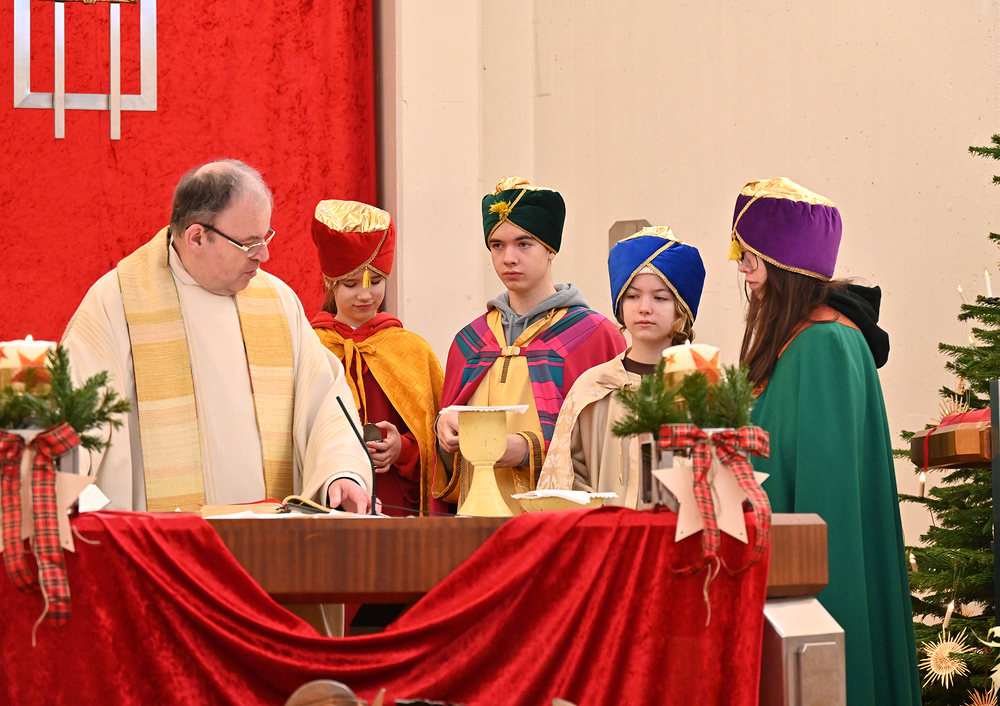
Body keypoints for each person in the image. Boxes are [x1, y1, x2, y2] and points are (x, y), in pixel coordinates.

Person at [61, 160, 373, 514]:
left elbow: (325, 404)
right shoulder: (117, 303)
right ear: (196, 237)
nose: (264, 254)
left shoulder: (278, 301)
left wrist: (341, 473)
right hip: (161, 542)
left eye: (266, 237)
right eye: (249, 243)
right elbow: (73, 424)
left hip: (270, 541)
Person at [730, 177, 919, 706]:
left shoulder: (826, 342)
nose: (742, 267)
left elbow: (828, 492)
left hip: (812, 569)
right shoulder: (802, 337)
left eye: (749, 254)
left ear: (782, 261)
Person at [434, 177, 626, 513]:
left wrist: (528, 450)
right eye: (497, 245)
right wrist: (444, 435)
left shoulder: (594, 336)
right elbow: (445, 466)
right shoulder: (469, 342)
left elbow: (611, 451)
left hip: (557, 526)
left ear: (551, 249)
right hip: (476, 524)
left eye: (524, 244)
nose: (508, 257)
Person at [537, 227, 705, 506]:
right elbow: (565, 479)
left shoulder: (703, 388)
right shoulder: (591, 389)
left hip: (678, 531)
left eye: (660, 298)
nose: (644, 308)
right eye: (633, 296)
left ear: (682, 309)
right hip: (605, 531)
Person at [309, 199, 445, 516]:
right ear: (329, 282)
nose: (365, 295)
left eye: (376, 281)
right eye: (350, 284)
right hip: (327, 504)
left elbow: (442, 441)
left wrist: (403, 449)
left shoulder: (412, 350)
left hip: (399, 507)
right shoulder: (310, 348)